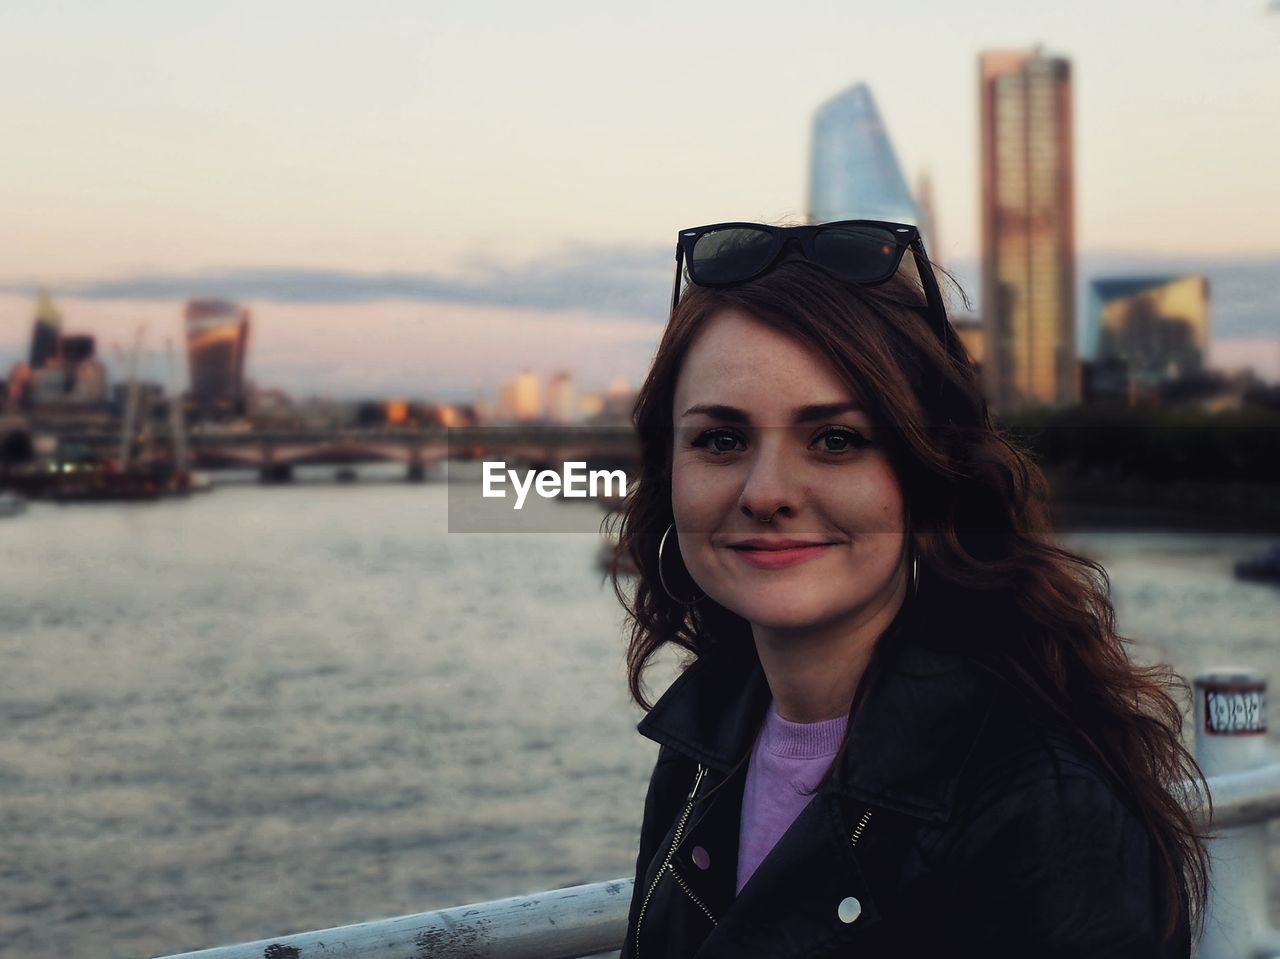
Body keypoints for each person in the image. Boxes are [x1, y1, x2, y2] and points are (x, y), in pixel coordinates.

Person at [610, 221, 1210, 958]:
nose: (766, 492)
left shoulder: (1042, 808)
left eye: (836, 439)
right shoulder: (702, 746)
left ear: (928, 476)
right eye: (721, 440)